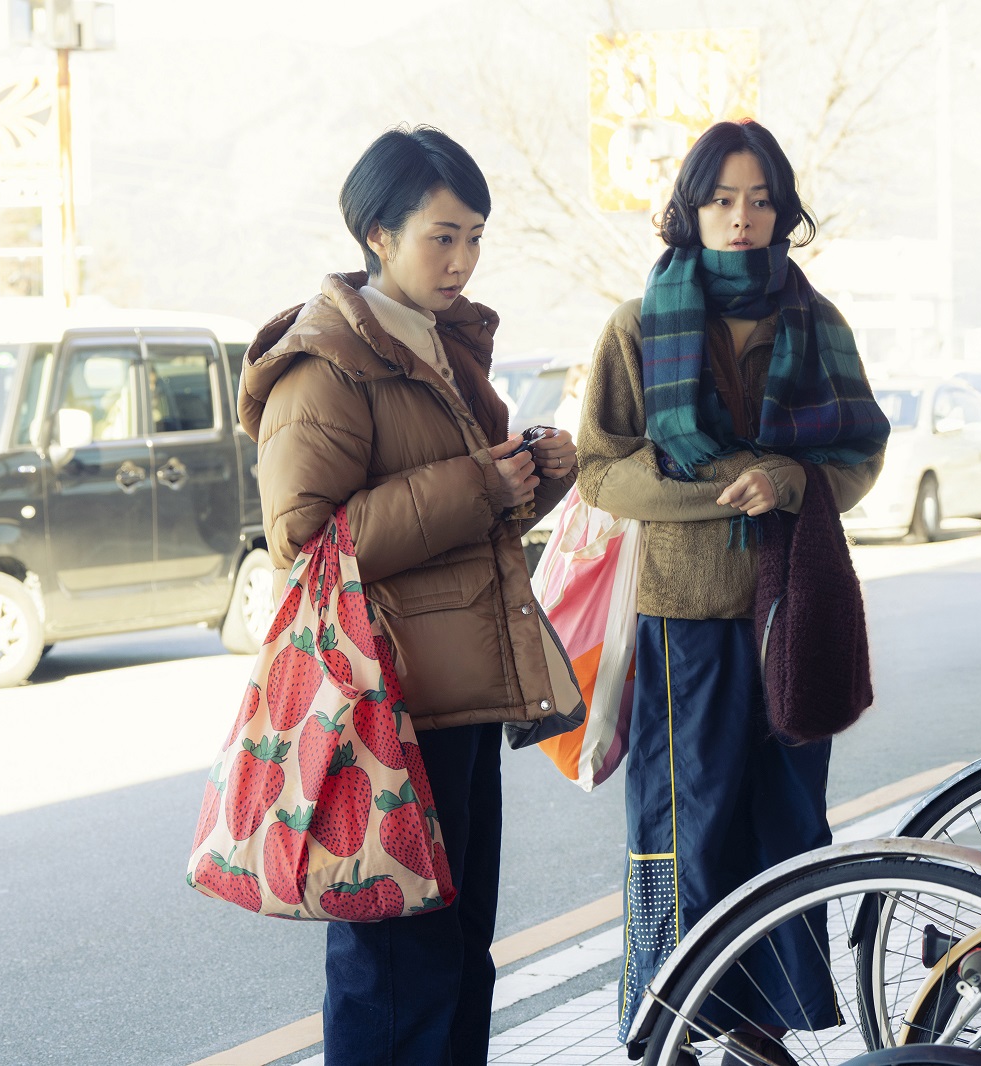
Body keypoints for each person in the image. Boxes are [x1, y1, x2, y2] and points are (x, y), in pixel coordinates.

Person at [237, 125, 577, 1066]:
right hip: (384, 705)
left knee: (459, 958)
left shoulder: (438, 343)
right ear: (378, 236)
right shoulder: (327, 363)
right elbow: (306, 541)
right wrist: (480, 482)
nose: (463, 258)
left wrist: (533, 476)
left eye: (475, 235)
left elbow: (466, 516)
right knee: (397, 969)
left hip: (455, 691)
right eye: (443, 235)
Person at [576, 118, 888, 1064]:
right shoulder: (640, 324)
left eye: (759, 199)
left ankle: (762, 1027)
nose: (742, 218)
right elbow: (601, 472)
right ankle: (673, 1018)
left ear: (783, 207)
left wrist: (791, 483)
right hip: (684, 617)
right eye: (722, 200)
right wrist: (725, 489)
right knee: (688, 820)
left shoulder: (818, 319)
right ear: (691, 209)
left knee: (790, 821)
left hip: (793, 607)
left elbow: (862, 453)